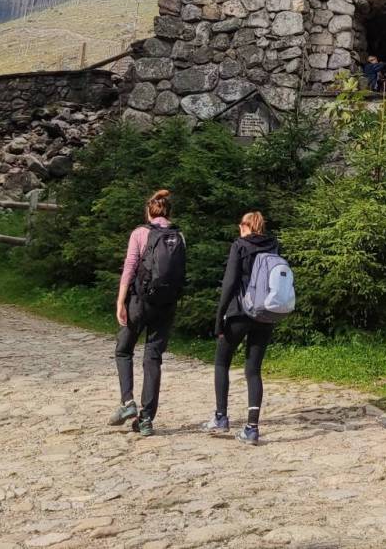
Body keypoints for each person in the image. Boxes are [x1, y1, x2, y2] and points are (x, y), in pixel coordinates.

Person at [111, 190, 187, 436]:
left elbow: (130, 267)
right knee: (153, 358)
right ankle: (146, 420)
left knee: (123, 350)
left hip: (140, 302)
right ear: (169, 212)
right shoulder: (179, 236)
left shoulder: (140, 233)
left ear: (148, 211)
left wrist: (121, 301)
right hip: (166, 304)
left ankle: (128, 402)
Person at [204, 211, 282, 446]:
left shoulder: (239, 245)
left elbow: (229, 283)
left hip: (239, 312)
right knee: (253, 370)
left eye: (240, 225)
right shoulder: (273, 246)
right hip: (265, 313)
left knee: (222, 362)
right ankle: (252, 428)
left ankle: (221, 417)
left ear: (246, 226)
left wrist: (219, 317)